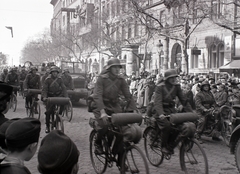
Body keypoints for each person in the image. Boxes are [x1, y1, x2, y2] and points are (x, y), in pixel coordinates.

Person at [92, 58, 136, 165]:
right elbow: (97, 96)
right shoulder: (101, 79)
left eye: (118, 67)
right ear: (109, 68)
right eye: (114, 67)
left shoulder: (121, 80)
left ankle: (119, 157)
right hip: (101, 106)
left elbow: (128, 96)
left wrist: (133, 110)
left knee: (122, 131)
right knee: (104, 125)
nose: (117, 69)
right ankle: (98, 143)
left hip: (115, 106)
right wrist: (102, 112)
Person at [154, 69, 192, 154]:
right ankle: (163, 146)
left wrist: (191, 112)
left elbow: (183, 100)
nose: (173, 79)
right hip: (161, 110)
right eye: (171, 77)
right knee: (167, 126)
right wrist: (161, 114)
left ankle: (170, 145)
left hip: (172, 110)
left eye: (175, 77)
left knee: (178, 126)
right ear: (167, 78)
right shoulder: (160, 87)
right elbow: (157, 102)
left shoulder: (176, 86)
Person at [42, 66, 68, 133]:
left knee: (63, 103)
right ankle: (47, 126)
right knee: (48, 113)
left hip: (57, 95)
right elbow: (44, 89)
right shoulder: (47, 79)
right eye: (53, 72)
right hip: (49, 96)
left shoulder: (60, 79)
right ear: (51, 73)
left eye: (56, 72)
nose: (55, 74)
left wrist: (66, 96)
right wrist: (44, 97)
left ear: (57, 73)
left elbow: (63, 88)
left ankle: (59, 116)